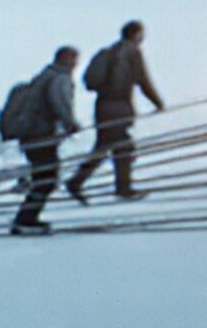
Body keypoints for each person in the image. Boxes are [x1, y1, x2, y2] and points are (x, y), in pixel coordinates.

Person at [69, 19, 167, 202]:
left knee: (107, 146)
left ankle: (81, 182)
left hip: (102, 105)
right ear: (136, 34)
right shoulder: (132, 52)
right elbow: (143, 80)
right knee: (121, 147)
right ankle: (120, 187)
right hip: (120, 106)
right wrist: (158, 103)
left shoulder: (110, 51)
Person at [9, 45, 82, 234]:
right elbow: (60, 104)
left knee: (43, 177)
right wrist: (71, 124)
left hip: (31, 134)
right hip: (41, 135)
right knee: (46, 178)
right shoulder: (60, 78)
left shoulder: (44, 75)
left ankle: (27, 217)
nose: (76, 64)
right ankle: (26, 219)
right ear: (66, 59)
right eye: (74, 59)